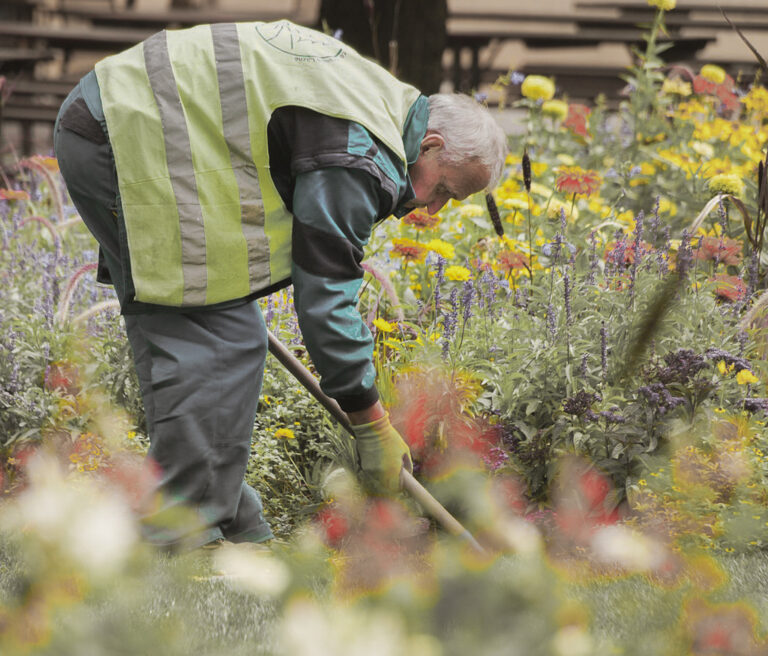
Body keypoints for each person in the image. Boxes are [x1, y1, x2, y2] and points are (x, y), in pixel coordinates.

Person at [54, 19, 508, 551]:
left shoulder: (383, 109)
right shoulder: (360, 154)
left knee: (233, 338)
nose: (430, 210)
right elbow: (325, 295)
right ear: (429, 145)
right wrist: (370, 420)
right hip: (123, 137)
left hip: (129, 124)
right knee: (202, 342)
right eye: (444, 192)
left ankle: (228, 518)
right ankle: (182, 533)